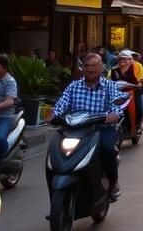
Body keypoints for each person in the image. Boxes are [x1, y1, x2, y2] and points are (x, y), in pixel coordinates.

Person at [53, 53, 126, 200]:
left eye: (94, 66)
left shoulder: (109, 86)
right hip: (76, 129)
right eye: (87, 66)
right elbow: (62, 104)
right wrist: (54, 114)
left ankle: (113, 181)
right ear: (83, 69)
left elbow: (117, 104)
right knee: (55, 148)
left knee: (107, 149)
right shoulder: (74, 86)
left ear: (101, 68)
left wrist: (113, 114)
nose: (90, 69)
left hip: (101, 128)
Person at [110, 50, 143, 135]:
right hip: (118, 92)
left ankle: (136, 126)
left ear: (130, 59)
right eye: (121, 59)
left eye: (125, 59)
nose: (123, 61)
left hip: (133, 90)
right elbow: (109, 79)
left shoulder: (137, 66)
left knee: (139, 107)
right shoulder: (114, 69)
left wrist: (140, 83)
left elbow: (142, 77)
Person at [0, 53, 19, 153]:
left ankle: (3, 157)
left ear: (4, 68)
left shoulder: (10, 81)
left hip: (4, 116)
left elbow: (10, 101)